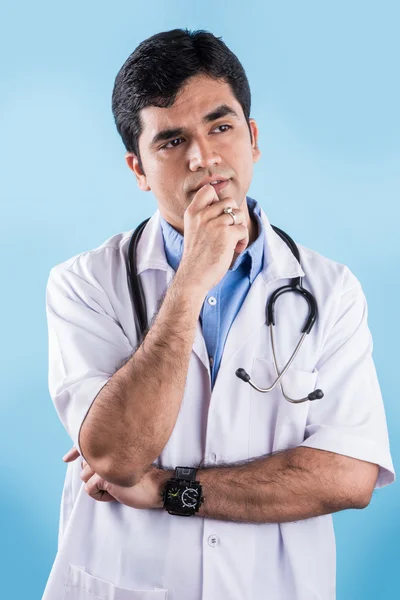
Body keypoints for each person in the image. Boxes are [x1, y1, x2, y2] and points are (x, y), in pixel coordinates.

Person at [42, 28, 395, 600]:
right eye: (171, 141)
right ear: (138, 169)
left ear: (252, 138)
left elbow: (349, 475)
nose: (203, 157)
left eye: (221, 126)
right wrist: (187, 288)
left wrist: (164, 488)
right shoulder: (85, 284)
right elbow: (116, 455)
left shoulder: (330, 291)